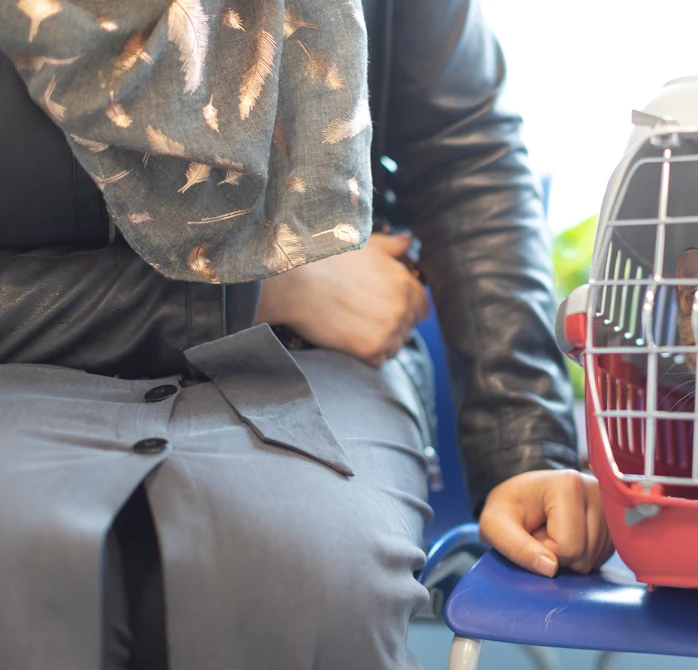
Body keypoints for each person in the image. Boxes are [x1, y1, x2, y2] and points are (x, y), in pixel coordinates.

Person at [0, 1, 611, 668]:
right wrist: (257, 288)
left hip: (310, 364)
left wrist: (525, 451)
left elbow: (465, 153)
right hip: (27, 366)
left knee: (312, 577)